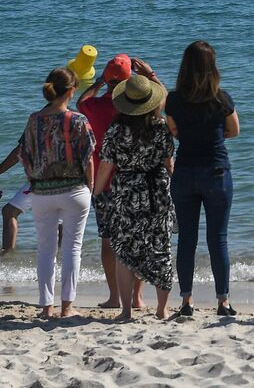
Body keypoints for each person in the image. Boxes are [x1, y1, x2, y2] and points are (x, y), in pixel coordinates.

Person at [165, 40, 240, 318]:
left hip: (185, 171)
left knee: (187, 239)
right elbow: (234, 131)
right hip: (216, 171)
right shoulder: (222, 99)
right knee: (218, 239)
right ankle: (223, 302)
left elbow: (174, 131)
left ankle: (186, 301)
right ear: (213, 67)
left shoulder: (174, 100)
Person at [93, 72, 175, 321]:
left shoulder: (116, 129)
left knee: (125, 251)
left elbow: (106, 165)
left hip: (125, 191)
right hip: (157, 190)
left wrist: (97, 192)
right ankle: (162, 309)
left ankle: (126, 311)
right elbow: (169, 164)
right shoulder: (161, 127)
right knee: (160, 248)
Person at [79, 53, 157, 309]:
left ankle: (115, 296)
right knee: (138, 238)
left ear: (107, 79)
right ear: (129, 80)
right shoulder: (139, 107)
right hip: (136, 181)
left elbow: (81, 101)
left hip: (104, 183)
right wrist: (149, 76)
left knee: (108, 240)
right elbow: (163, 100)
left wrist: (99, 81)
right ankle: (137, 297)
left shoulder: (95, 107)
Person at [18, 67, 96, 318]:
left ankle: (45, 307)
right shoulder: (78, 120)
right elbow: (88, 157)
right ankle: (67, 307)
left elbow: (24, 154)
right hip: (74, 190)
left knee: (45, 250)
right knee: (72, 248)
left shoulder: (34, 120)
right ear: (72, 90)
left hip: (42, 191)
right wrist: (91, 186)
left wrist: (33, 179)